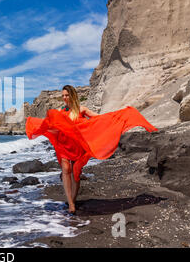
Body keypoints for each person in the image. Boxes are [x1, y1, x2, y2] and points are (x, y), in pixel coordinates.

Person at [25, 85, 158, 215]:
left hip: (78, 147)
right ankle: (70, 202)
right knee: (66, 169)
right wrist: (39, 126)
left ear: (73, 95)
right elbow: (52, 124)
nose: (65, 98)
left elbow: (99, 119)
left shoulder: (82, 109)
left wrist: (119, 116)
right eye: (63, 96)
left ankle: (74, 199)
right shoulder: (61, 112)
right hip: (63, 145)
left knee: (76, 173)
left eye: (67, 95)